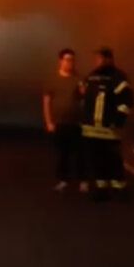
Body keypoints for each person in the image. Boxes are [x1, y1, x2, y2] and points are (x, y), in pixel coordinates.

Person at [80, 47, 134, 201]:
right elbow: (83, 97)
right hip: (91, 128)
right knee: (96, 160)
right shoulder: (91, 77)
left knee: (113, 159)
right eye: (95, 59)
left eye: (98, 59)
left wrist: (118, 120)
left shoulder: (118, 78)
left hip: (110, 129)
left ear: (108, 59)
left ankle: (119, 188)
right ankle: (101, 188)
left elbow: (127, 101)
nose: (96, 62)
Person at [43, 48, 85, 193]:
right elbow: (47, 101)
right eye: (67, 59)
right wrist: (49, 121)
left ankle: (82, 180)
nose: (70, 63)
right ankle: (63, 179)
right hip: (60, 123)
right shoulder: (53, 79)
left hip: (76, 122)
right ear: (60, 61)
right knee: (63, 153)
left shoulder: (78, 79)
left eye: (72, 60)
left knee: (80, 153)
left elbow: (85, 99)